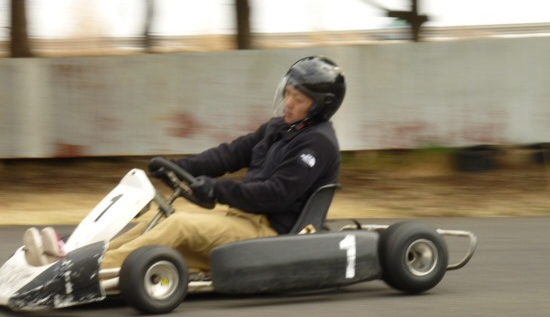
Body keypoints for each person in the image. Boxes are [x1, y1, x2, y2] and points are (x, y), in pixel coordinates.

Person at [24, 56, 346, 273]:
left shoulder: (317, 143)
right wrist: (180, 167)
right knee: (163, 212)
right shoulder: (279, 128)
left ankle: (80, 270)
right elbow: (230, 154)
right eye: (288, 93)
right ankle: (75, 255)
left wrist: (217, 190)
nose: (288, 102)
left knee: (179, 226)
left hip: (270, 233)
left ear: (320, 107)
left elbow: (276, 194)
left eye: (298, 99)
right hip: (242, 216)